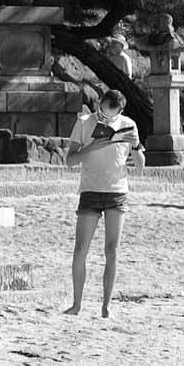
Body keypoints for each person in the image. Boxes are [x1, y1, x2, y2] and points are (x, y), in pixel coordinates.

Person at [66, 89, 140, 317]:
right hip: (90, 190)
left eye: (111, 115)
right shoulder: (84, 122)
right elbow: (70, 160)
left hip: (116, 191)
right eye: (103, 113)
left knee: (112, 250)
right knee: (81, 249)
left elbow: (141, 165)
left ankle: (106, 306)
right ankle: (77, 304)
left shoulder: (128, 125)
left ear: (120, 111)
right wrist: (92, 147)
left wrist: (137, 146)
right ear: (99, 104)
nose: (106, 118)